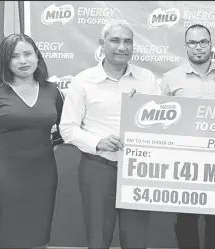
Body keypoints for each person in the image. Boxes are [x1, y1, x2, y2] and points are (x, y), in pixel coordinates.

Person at [59, 19, 157, 249]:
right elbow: (67, 128)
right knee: (98, 238)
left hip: (138, 170)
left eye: (128, 41)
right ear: (102, 44)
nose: (122, 47)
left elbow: (159, 123)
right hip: (98, 168)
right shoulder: (83, 81)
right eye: (115, 40)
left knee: (136, 240)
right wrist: (98, 142)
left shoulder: (148, 79)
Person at [0, 33, 64, 248]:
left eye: (27, 54)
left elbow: (66, 129)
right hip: (6, 180)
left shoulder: (53, 92)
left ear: (37, 56)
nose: (23, 61)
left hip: (43, 176)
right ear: (5, 61)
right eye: (14, 56)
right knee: (9, 239)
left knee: (39, 236)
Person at [159, 24, 215, 249]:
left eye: (203, 42)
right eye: (193, 43)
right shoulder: (170, 79)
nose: (198, 47)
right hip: (183, 164)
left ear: (211, 44)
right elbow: (159, 123)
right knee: (185, 221)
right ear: (186, 46)